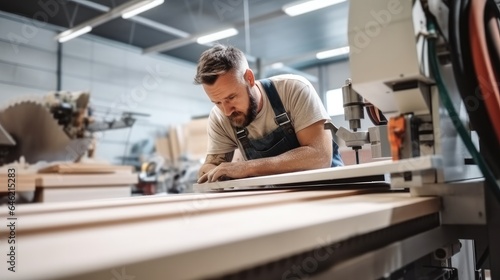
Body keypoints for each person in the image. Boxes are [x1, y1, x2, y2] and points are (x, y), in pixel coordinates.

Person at [194, 44, 343, 183]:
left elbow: (320, 157)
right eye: (217, 102)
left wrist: (248, 168)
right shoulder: (219, 118)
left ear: (249, 79)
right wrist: (212, 171)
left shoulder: (292, 90)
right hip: (277, 198)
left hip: (326, 189)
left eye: (231, 98)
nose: (226, 111)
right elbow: (209, 167)